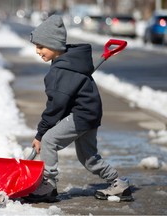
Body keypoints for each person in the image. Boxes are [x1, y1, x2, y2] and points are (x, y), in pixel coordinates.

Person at [23, 15, 133, 203]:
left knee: (49, 141)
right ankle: (118, 183)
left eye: (41, 46)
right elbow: (64, 102)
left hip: (82, 114)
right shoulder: (71, 63)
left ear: (54, 44)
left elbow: (55, 106)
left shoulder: (61, 71)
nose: (37, 51)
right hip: (89, 113)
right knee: (88, 158)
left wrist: (41, 133)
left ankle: (48, 185)